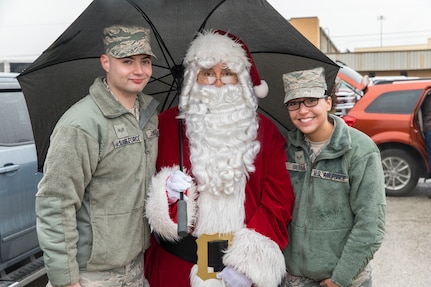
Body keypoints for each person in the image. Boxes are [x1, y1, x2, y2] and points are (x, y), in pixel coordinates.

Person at [144, 29, 295, 287]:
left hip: (241, 273)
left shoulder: (266, 132)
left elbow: (279, 201)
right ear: (194, 78)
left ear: (241, 79)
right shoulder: (165, 127)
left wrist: (249, 266)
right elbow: (141, 188)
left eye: (227, 73)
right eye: (207, 73)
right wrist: (164, 194)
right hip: (177, 269)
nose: (217, 82)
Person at [35, 24, 159, 287]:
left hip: (135, 268)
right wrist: (67, 280)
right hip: (90, 275)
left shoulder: (148, 116)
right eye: (127, 61)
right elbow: (55, 203)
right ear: (106, 62)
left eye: (145, 61)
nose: (139, 70)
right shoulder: (81, 124)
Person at [280, 67, 386, 287]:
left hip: (342, 280)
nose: (302, 111)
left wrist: (340, 278)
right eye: (294, 103)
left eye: (311, 100)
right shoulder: (285, 148)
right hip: (292, 280)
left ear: (328, 102)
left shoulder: (359, 150)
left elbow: (370, 225)